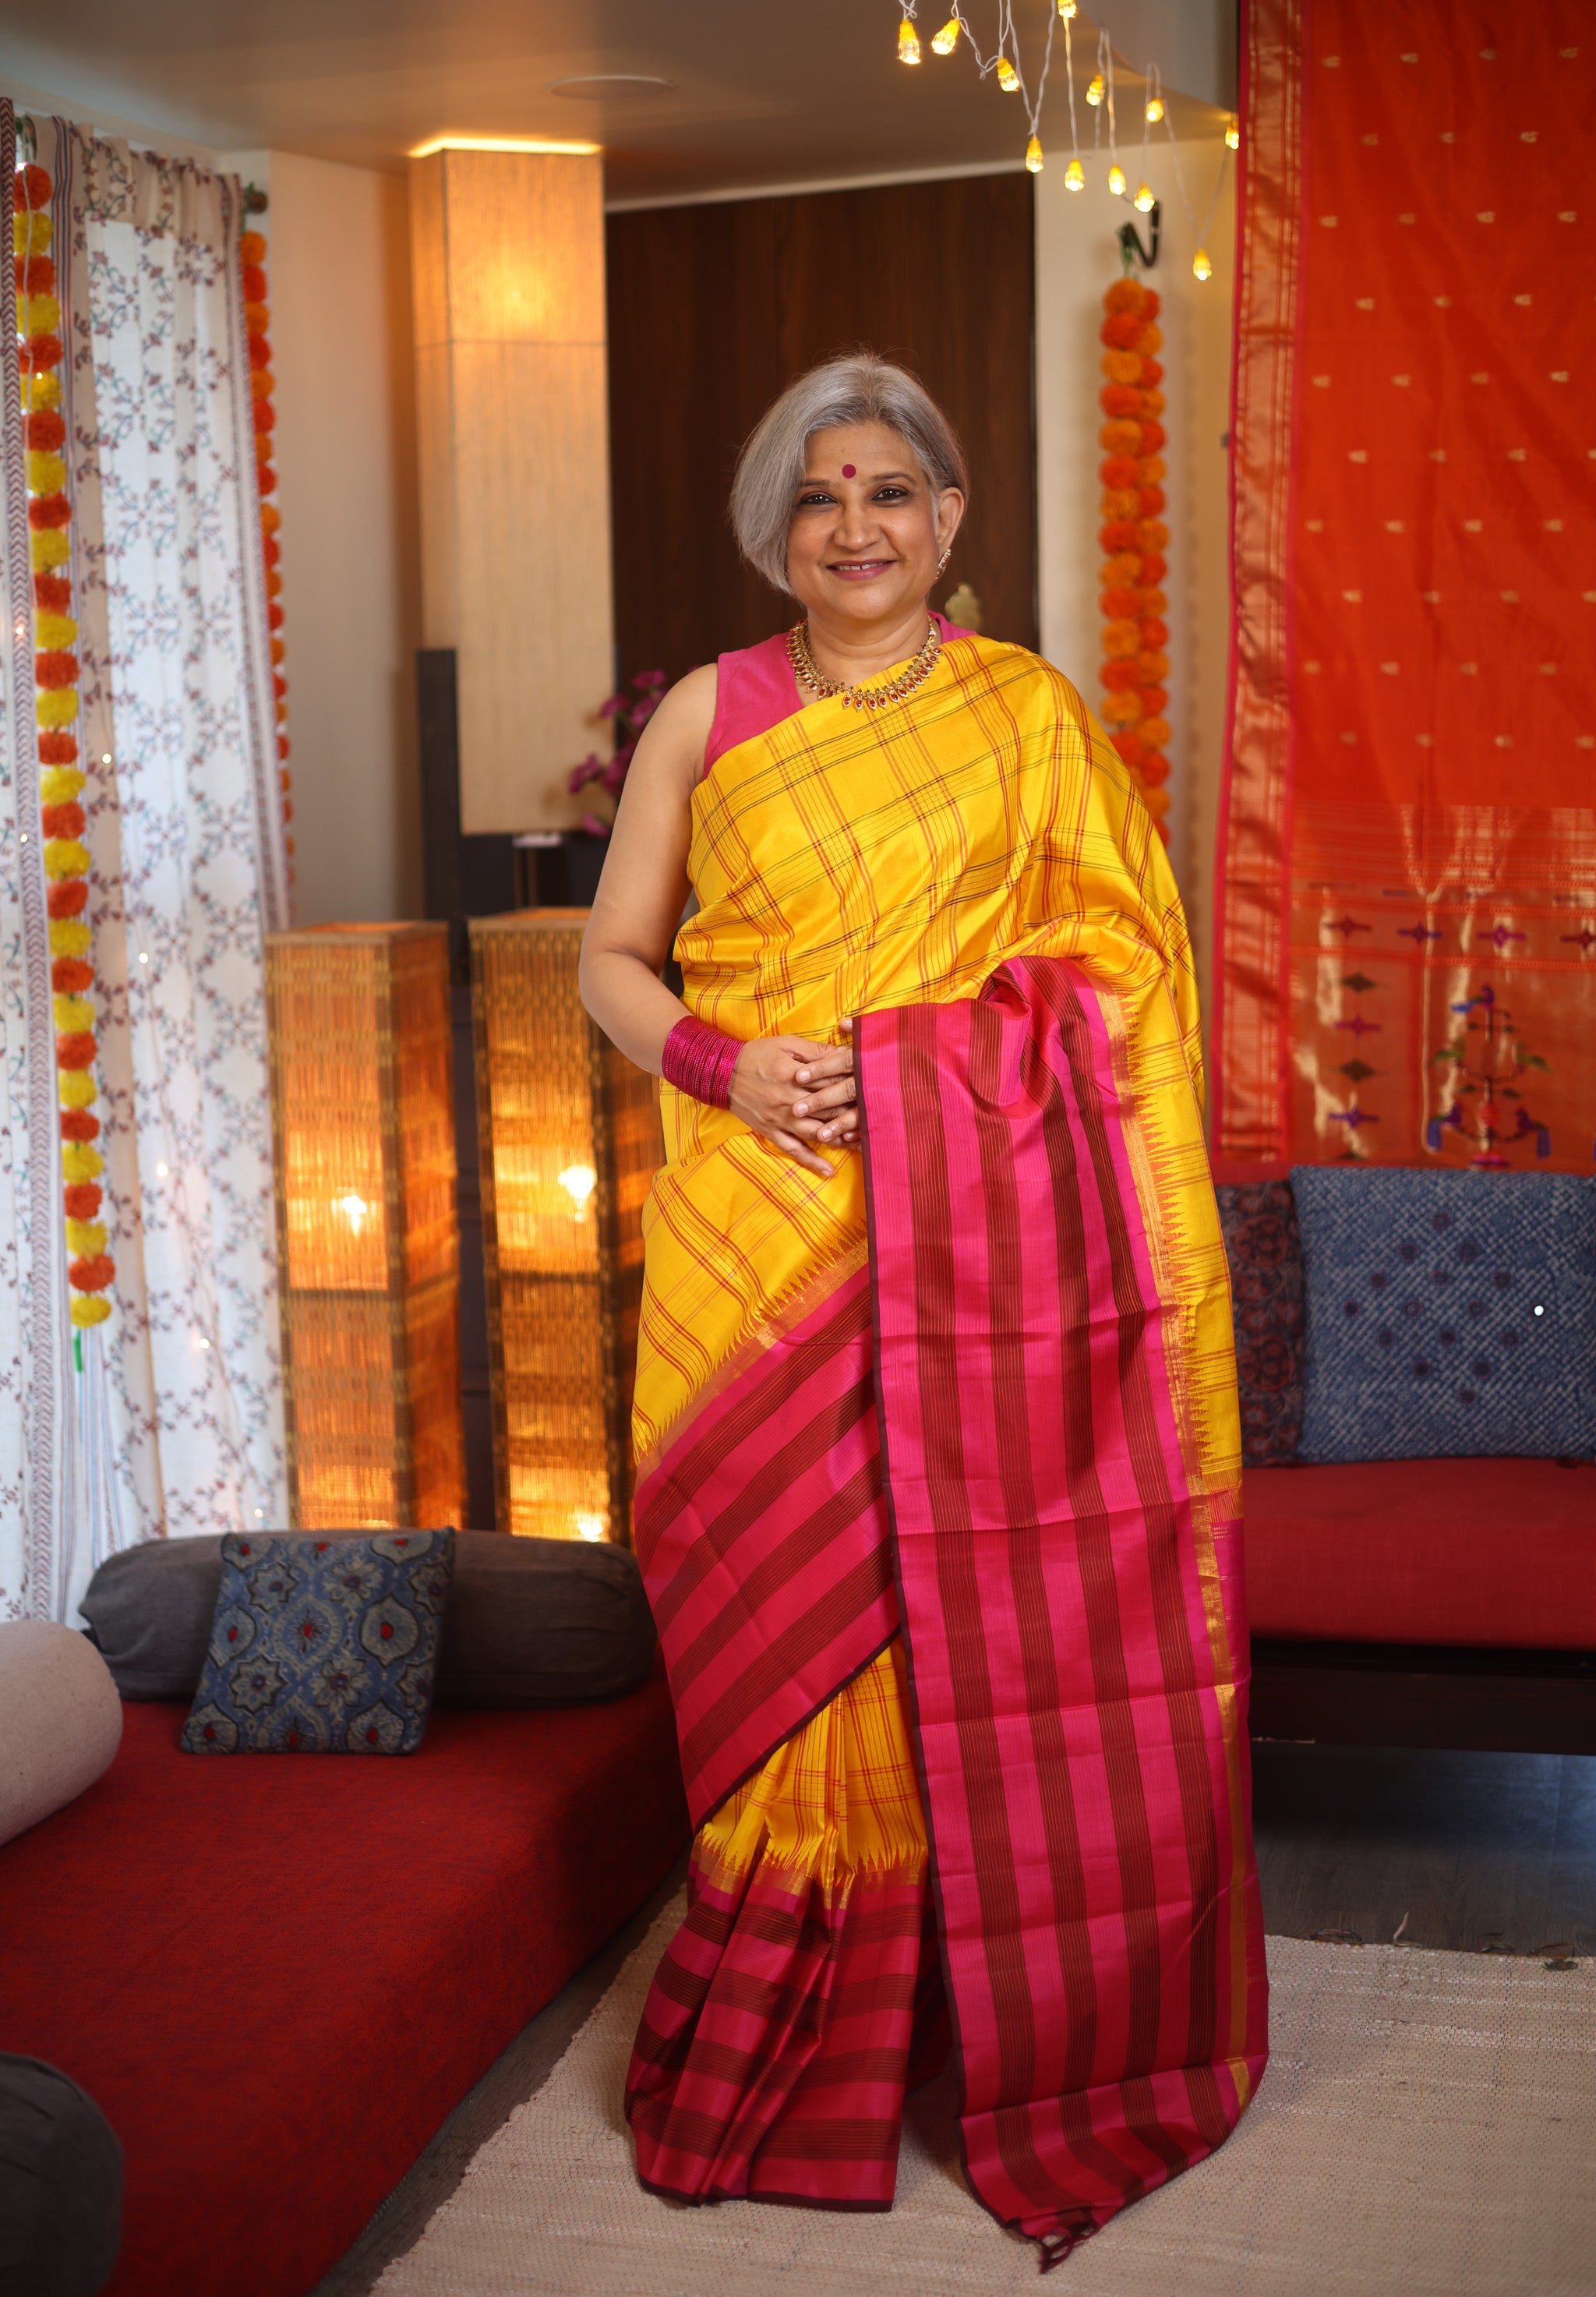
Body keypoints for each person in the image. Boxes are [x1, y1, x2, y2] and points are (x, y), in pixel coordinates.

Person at [579, 353, 1267, 2268]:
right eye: (819, 498)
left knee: (950, 1608)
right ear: (774, 533)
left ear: (948, 517)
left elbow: (1128, 970)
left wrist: (908, 1072)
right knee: (775, 1627)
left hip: (979, 1246)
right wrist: (727, 1064)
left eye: (890, 491)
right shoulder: (709, 713)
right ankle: (784, 2045)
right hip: (752, 1228)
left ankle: (995, 2018)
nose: (856, 526)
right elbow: (612, 960)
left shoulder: (1027, 715)